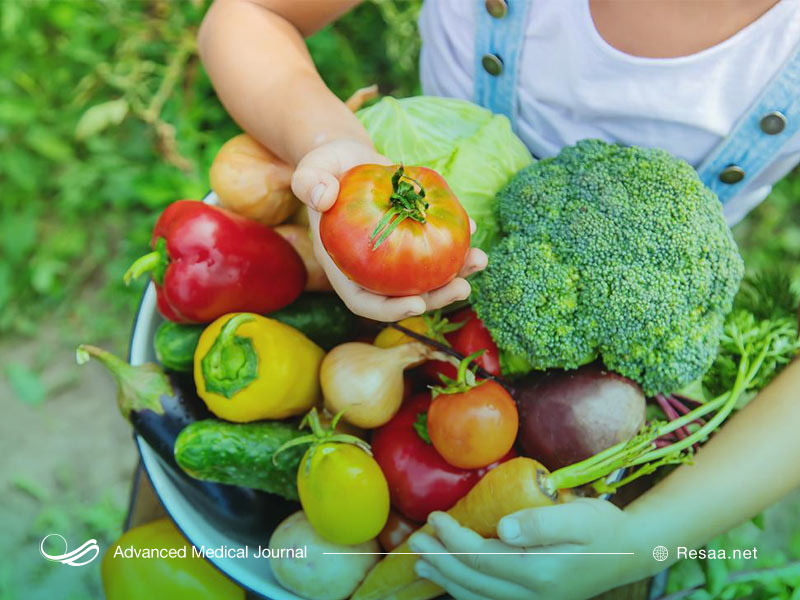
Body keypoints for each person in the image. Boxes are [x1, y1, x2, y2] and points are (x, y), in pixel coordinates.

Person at [198, 1, 800, 598]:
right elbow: (251, 13)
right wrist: (334, 156)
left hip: (606, 415)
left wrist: (648, 538)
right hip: (405, 232)